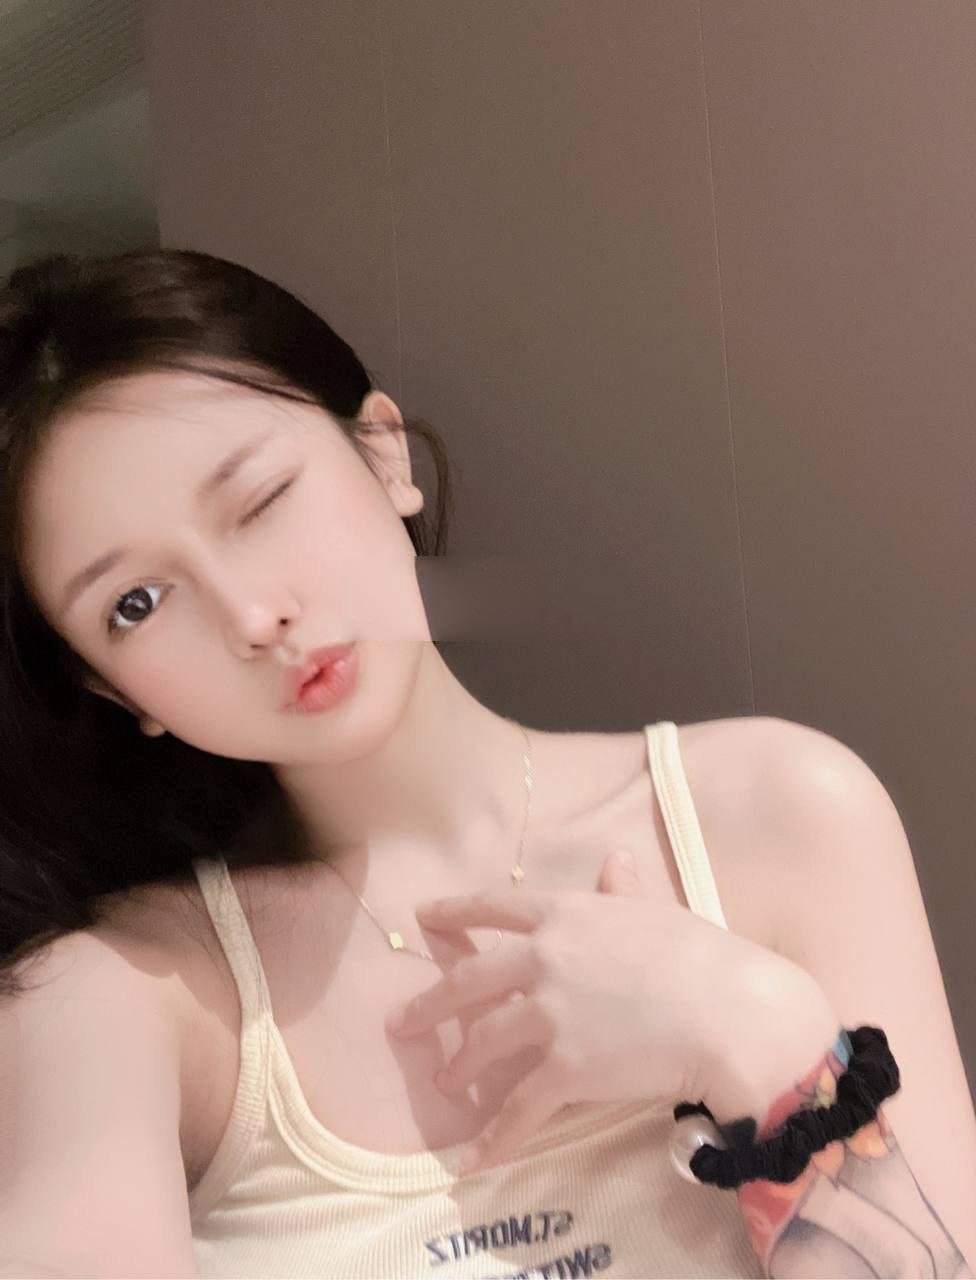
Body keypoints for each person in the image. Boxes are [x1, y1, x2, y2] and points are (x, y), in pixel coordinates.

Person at [0, 248, 971, 1280]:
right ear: (115, 690)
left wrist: (755, 1027)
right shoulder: (123, 996)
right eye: (136, 603)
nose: (251, 616)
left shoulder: (782, 812)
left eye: (260, 499)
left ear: (384, 455)